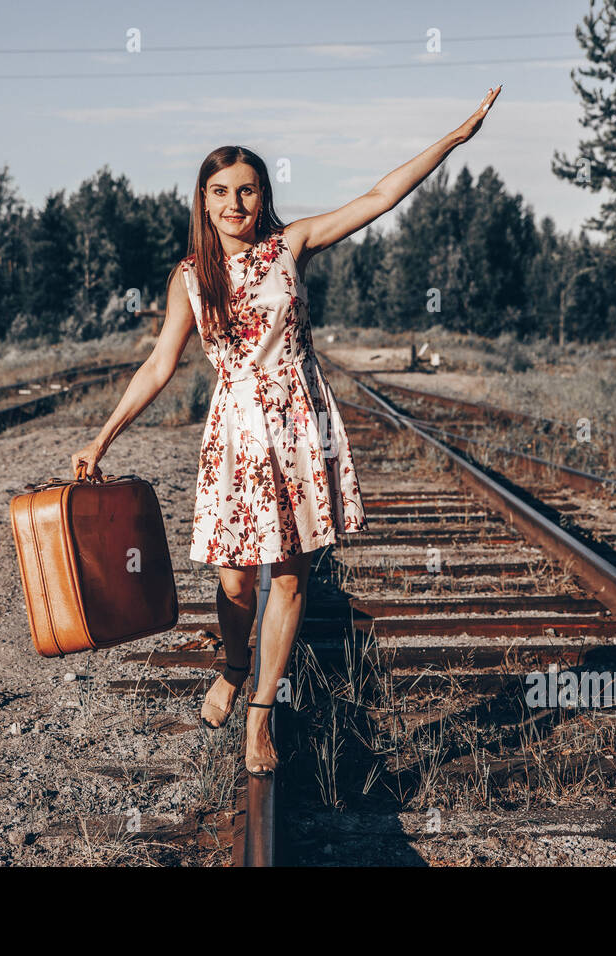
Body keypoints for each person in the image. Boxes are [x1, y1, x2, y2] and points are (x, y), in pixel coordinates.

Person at [71, 86, 500, 775]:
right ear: (203, 201)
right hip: (236, 430)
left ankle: (261, 715)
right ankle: (234, 659)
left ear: (261, 196)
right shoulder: (190, 276)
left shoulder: (290, 244)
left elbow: (377, 198)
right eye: (220, 191)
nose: (234, 204)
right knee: (237, 582)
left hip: (299, 422)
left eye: (246, 190)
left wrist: (451, 141)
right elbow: (158, 366)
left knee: (291, 580)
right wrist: (103, 438)